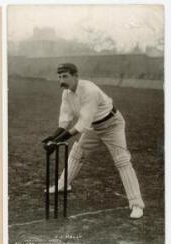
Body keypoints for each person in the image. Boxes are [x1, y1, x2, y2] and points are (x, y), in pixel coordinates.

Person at [42, 63, 144, 219]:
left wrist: (57, 142)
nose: (62, 80)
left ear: (76, 76)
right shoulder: (67, 94)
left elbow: (81, 124)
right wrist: (52, 137)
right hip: (93, 127)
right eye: (60, 77)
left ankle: (136, 204)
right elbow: (65, 120)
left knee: (122, 161)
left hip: (112, 125)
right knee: (77, 153)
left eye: (65, 76)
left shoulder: (89, 90)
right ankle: (63, 184)